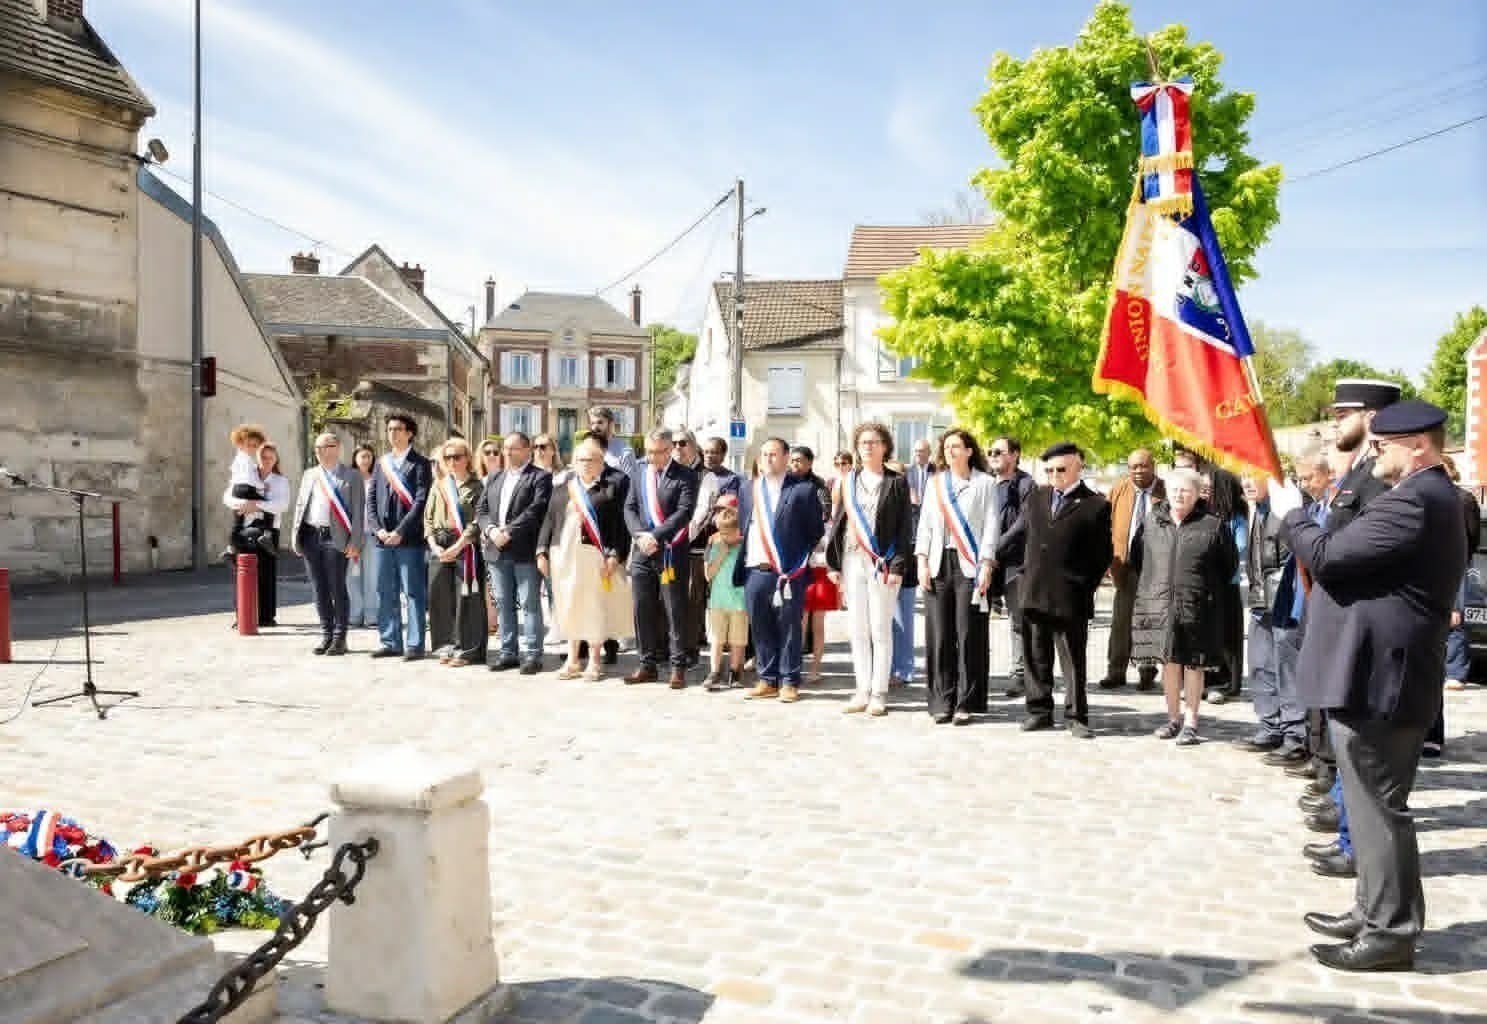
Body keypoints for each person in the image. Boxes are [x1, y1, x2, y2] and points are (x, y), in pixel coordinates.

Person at [1273, 399, 1466, 973]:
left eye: (1384, 445)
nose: (1374, 452)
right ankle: (1374, 910)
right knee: (1370, 805)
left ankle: (1390, 933)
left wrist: (1293, 514)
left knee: (1379, 810)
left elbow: (1329, 555)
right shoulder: (1423, 496)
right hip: (1378, 672)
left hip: (1383, 678)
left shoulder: (1417, 500)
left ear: (1419, 447)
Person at [1296, 380, 1400, 823]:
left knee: (1358, 731)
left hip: (1361, 617)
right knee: (1345, 727)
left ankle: (1352, 824)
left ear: (1372, 418)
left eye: (1345, 414)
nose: (1336, 421)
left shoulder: (1378, 479)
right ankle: (1344, 810)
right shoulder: (1356, 474)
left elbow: (1343, 550)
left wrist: (1293, 519)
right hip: (1339, 610)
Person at [1132, 467, 1237, 746]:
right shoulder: (1152, 520)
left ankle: (1191, 721)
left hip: (1197, 606)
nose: (1179, 495)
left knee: (1193, 665)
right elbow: (1137, 557)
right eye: (1175, 489)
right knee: (1169, 663)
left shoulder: (1212, 525)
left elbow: (1228, 567)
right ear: (1167, 491)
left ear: (1196, 494)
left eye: (1186, 490)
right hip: (1161, 606)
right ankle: (1173, 718)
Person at [1017, 442, 1112, 738]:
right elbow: (1025, 537)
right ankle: (1039, 710)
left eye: (1061, 469)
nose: (1054, 475)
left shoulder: (1096, 505)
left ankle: (1076, 715)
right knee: (1035, 655)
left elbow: (1102, 555)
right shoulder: (1036, 497)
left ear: (1077, 468)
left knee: (1072, 659)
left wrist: (1084, 585)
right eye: (1048, 470)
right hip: (1034, 590)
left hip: (1070, 595)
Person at [828, 423, 914, 717]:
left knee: (881, 628)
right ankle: (861, 688)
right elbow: (837, 522)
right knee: (857, 628)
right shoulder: (846, 480)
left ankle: (879, 692)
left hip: (883, 561)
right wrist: (834, 563)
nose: (868, 446)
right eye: (863, 442)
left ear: (885, 446)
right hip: (853, 558)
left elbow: (905, 527)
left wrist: (899, 565)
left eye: (875, 442)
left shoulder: (897, 482)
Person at [917, 428, 998, 724]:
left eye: (956, 446)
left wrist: (987, 563)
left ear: (968, 451)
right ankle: (942, 700)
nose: (951, 451)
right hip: (938, 564)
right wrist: (922, 562)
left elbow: (991, 525)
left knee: (968, 633)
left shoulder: (986, 483)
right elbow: (924, 525)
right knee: (939, 635)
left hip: (970, 565)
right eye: (947, 447)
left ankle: (967, 701)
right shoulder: (935, 483)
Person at [739, 437, 826, 703]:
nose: (768, 458)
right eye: (764, 454)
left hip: (788, 572)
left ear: (787, 457)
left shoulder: (802, 490)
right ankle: (767, 678)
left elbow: (815, 531)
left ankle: (789, 681)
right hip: (755, 568)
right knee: (761, 626)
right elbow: (745, 525)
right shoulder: (748, 489)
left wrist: (797, 557)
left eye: (774, 454)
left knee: (790, 627)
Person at [537, 437, 632, 681]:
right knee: (568, 606)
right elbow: (548, 521)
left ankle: (595, 661)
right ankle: (572, 660)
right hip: (564, 558)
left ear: (602, 463)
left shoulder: (609, 491)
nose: (586, 464)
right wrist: (541, 551)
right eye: (581, 459)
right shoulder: (562, 489)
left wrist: (615, 555)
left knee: (594, 607)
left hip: (595, 558)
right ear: (573, 462)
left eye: (591, 459)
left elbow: (620, 527)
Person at [1235, 471, 1309, 762]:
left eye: (1254, 477)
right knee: (1260, 666)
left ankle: (1295, 735)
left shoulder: (1286, 508)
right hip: (1259, 601)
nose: (1248, 483)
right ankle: (1269, 726)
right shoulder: (1256, 509)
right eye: (1244, 478)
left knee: (1287, 669)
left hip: (1283, 603)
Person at [624, 428, 699, 688]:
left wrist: (655, 535)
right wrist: (638, 535)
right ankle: (647, 663)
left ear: (669, 450)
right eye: (649, 451)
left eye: (657, 452)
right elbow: (629, 508)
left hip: (670, 551)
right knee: (642, 608)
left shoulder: (686, 476)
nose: (652, 457)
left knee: (674, 609)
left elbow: (684, 512)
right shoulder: (639, 473)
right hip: (642, 552)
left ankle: (678, 666)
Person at [477, 432, 553, 674]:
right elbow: (481, 509)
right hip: (496, 551)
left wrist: (508, 531)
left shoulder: (540, 478)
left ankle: (533, 654)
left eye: (514, 448)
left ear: (527, 450)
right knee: (503, 603)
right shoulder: (495, 477)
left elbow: (536, 510)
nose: (508, 453)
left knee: (530, 603)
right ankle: (508, 652)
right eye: (506, 449)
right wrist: (490, 530)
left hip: (524, 550)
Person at [289, 432, 363, 655]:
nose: (321, 451)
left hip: (336, 538)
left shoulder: (351, 476)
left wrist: (356, 541)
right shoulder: (310, 474)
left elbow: (359, 513)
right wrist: (296, 537)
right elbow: (301, 506)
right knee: (319, 588)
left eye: (326, 446)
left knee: (336, 587)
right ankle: (326, 634)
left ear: (337, 447)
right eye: (317, 448)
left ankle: (340, 638)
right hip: (311, 536)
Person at [369, 412, 433, 660]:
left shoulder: (420, 463)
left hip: (409, 540)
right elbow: (371, 501)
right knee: (385, 591)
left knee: (414, 592)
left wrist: (400, 531)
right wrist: (378, 529)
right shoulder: (381, 463)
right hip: (383, 539)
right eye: (389, 430)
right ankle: (390, 642)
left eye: (398, 429)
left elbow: (420, 501)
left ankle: (415, 644)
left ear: (410, 434)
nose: (392, 434)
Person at [1099, 448, 1164, 690]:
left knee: (1150, 621)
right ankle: (1116, 670)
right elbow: (1105, 525)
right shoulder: (1119, 490)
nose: (1138, 471)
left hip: (1156, 567)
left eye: (1143, 466)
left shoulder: (1165, 491)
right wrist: (1107, 559)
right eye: (1133, 467)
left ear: (1153, 466)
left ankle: (1147, 670)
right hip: (1124, 565)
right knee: (1121, 621)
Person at [424, 437, 488, 667]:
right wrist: (433, 544)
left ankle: (468, 649)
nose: (452, 461)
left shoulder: (477, 486)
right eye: (448, 457)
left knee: (467, 598)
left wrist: (459, 545)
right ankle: (446, 645)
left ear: (467, 459)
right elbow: (428, 518)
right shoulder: (438, 485)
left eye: (457, 456)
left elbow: (477, 520)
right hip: (439, 544)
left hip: (465, 546)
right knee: (439, 597)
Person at [222, 440, 290, 628]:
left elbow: (281, 505)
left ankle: (266, 616)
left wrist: (256, 505)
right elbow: (227, 497)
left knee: (266, 574)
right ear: (257, 458)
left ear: (276, 459)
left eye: (271, 457)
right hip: (245, 529)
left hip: (269, 531)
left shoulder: (280, 481)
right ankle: (242, 615)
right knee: (242, 573)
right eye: (263, 457)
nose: (267, 460)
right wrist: (243, 505)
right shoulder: (247, 475)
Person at [989, 437, 1036, 698]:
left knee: (1019, 620)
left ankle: (1020, 674)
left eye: (999, 451)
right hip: (986, 562)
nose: (993, 455)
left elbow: (1023, 523)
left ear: (1015, 454)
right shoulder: (984, 482)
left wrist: (996, 548)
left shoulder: (1027, 484)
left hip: (1016, 563)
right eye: (990, 452)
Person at [702, 501, 748, 690]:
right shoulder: (715, 544)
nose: (726, 537)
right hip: (718, 601)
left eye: (730, 534)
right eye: (722, 533)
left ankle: (735, 672)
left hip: (739, 601)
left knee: (738, 640)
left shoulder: (745, 547)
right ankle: (714, 671)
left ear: (739, 530)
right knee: (716, 639)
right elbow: (708, 575)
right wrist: (721, 552)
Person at [222, 423, 275, 559]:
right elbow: (250, 479)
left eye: (255, 446)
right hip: (245, 488)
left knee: (238, 520)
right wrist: (262, 487)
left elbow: (235, 478)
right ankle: (267, 534)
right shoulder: (247, 461)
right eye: (248, 445)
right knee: (268, 507)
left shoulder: (239, 459)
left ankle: (231, 547)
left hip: (237, 489)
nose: (252, 448)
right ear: (240, 444)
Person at [346, 443, 380, 629]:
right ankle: (354, 614)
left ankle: (372, 615)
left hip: (372, 534)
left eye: (369, 456)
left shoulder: (377, 479)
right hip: (352, 535)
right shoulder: (348, 479)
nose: (366, 459)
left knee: (372, 575)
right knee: (351, 575)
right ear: (355, 458)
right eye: (362, 456)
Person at [588, 406, 638, 478]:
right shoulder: (587, 449)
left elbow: (631, 485)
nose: (595, 427)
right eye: (592, 423)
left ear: (611, 424)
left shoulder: (625, 452)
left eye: (600, 422)